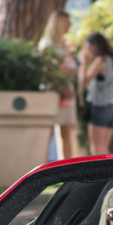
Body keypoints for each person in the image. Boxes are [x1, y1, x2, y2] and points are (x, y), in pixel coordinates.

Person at [39, 11, 78, 160]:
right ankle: (43, 171)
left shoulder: (66, 46)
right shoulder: (47, 45)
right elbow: (47, 71)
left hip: (67, 94)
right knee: (48, 132)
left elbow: (72, 70)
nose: (69, 26)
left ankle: (68, 171)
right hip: (53, 93)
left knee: (67, 131)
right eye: (67, 23)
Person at [81, 33, 113, 156]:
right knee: (104, 150)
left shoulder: (100, 60)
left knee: (96, 151)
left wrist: (84, 63)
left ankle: (102, 176)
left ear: (95, 45)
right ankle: (108, 175)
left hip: (101, 107)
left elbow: (84, 81)